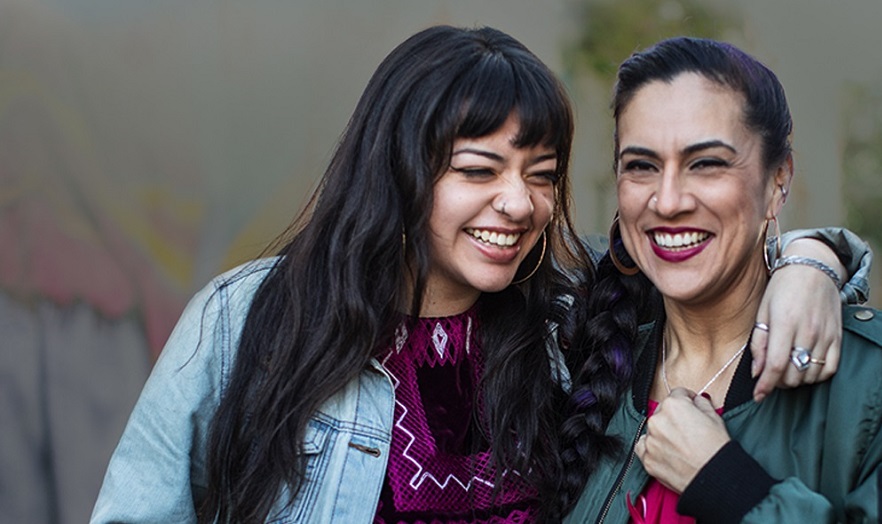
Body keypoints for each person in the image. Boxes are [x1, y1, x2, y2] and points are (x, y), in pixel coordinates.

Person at [91, 27, 869, 523]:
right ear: (400, 170)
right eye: (478, 169)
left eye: (541, 173)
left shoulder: (568, 318)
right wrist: (815, 258)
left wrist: (810, 259)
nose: (518, 203)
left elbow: (693, 243)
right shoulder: (248, 321)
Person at [564, 36, 881, 523]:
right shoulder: (580, 350)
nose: (668, 201)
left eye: (706, 163)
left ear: (779, 180)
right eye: (642, 166)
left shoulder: (867, 384)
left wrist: (727, 484)